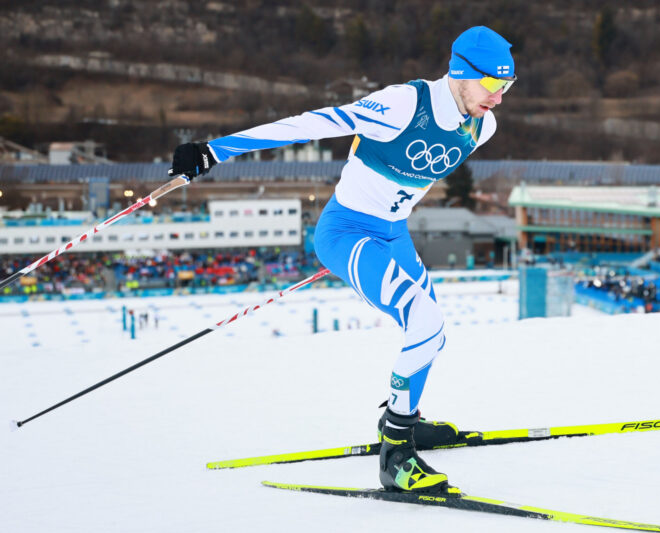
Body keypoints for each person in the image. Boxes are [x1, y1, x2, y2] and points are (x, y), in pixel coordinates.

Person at [169, 26, 516, 494]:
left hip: (392, 235)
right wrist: (214, 150)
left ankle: (407, 421)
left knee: (431, 335)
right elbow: (310, 124)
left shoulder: (482, 124)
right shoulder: (402, 106)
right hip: (348, 232)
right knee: (425, 322)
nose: (498, 98)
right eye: (493, 85)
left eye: (507, 87)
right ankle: (395, 454)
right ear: (460, 73)